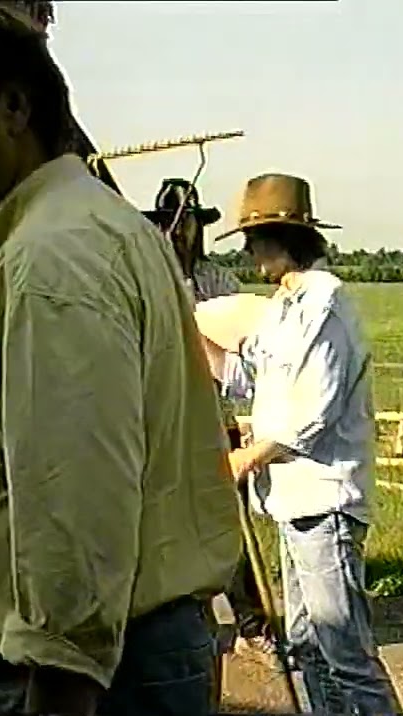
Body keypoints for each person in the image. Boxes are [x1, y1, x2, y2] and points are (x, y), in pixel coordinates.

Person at [0, 5, 242, 716]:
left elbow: (73, 505)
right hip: (134, 648)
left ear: (12, 107)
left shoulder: (49, 259)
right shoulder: (97, 226)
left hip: (87, 672)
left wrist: (61, 689)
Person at [222, 173, 403, 716]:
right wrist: (188, 336)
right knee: (306, 644)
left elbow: (310, 414)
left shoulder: (324, 303)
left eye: (258, 240)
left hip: (324, 500)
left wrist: (244, 458)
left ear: (287, 238)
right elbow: (250, 376)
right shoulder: (283, 305)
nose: (251, 251)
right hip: (289, 501)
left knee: (344, 649)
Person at [143, 178, 277, 660]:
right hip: (163, 423)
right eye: (172, 226)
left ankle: (252, 622)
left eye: (188, 225)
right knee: (172, 527)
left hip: (214, 416)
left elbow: (236, 340)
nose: (181, 235)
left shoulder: (218, 281)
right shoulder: (148, 275)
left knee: (231, 527)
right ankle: (190, 626)